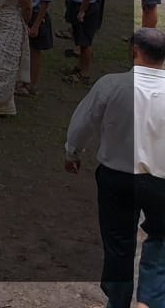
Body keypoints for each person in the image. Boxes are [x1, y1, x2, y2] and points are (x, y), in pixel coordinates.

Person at [64, 27, 165, 308]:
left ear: (134, 51)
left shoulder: (111, 85)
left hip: (117, 178)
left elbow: (83, 123)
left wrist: (72, 153)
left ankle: (118, 301)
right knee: (161, 239)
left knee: (118, 242)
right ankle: (151, 299)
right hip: (161, 181)